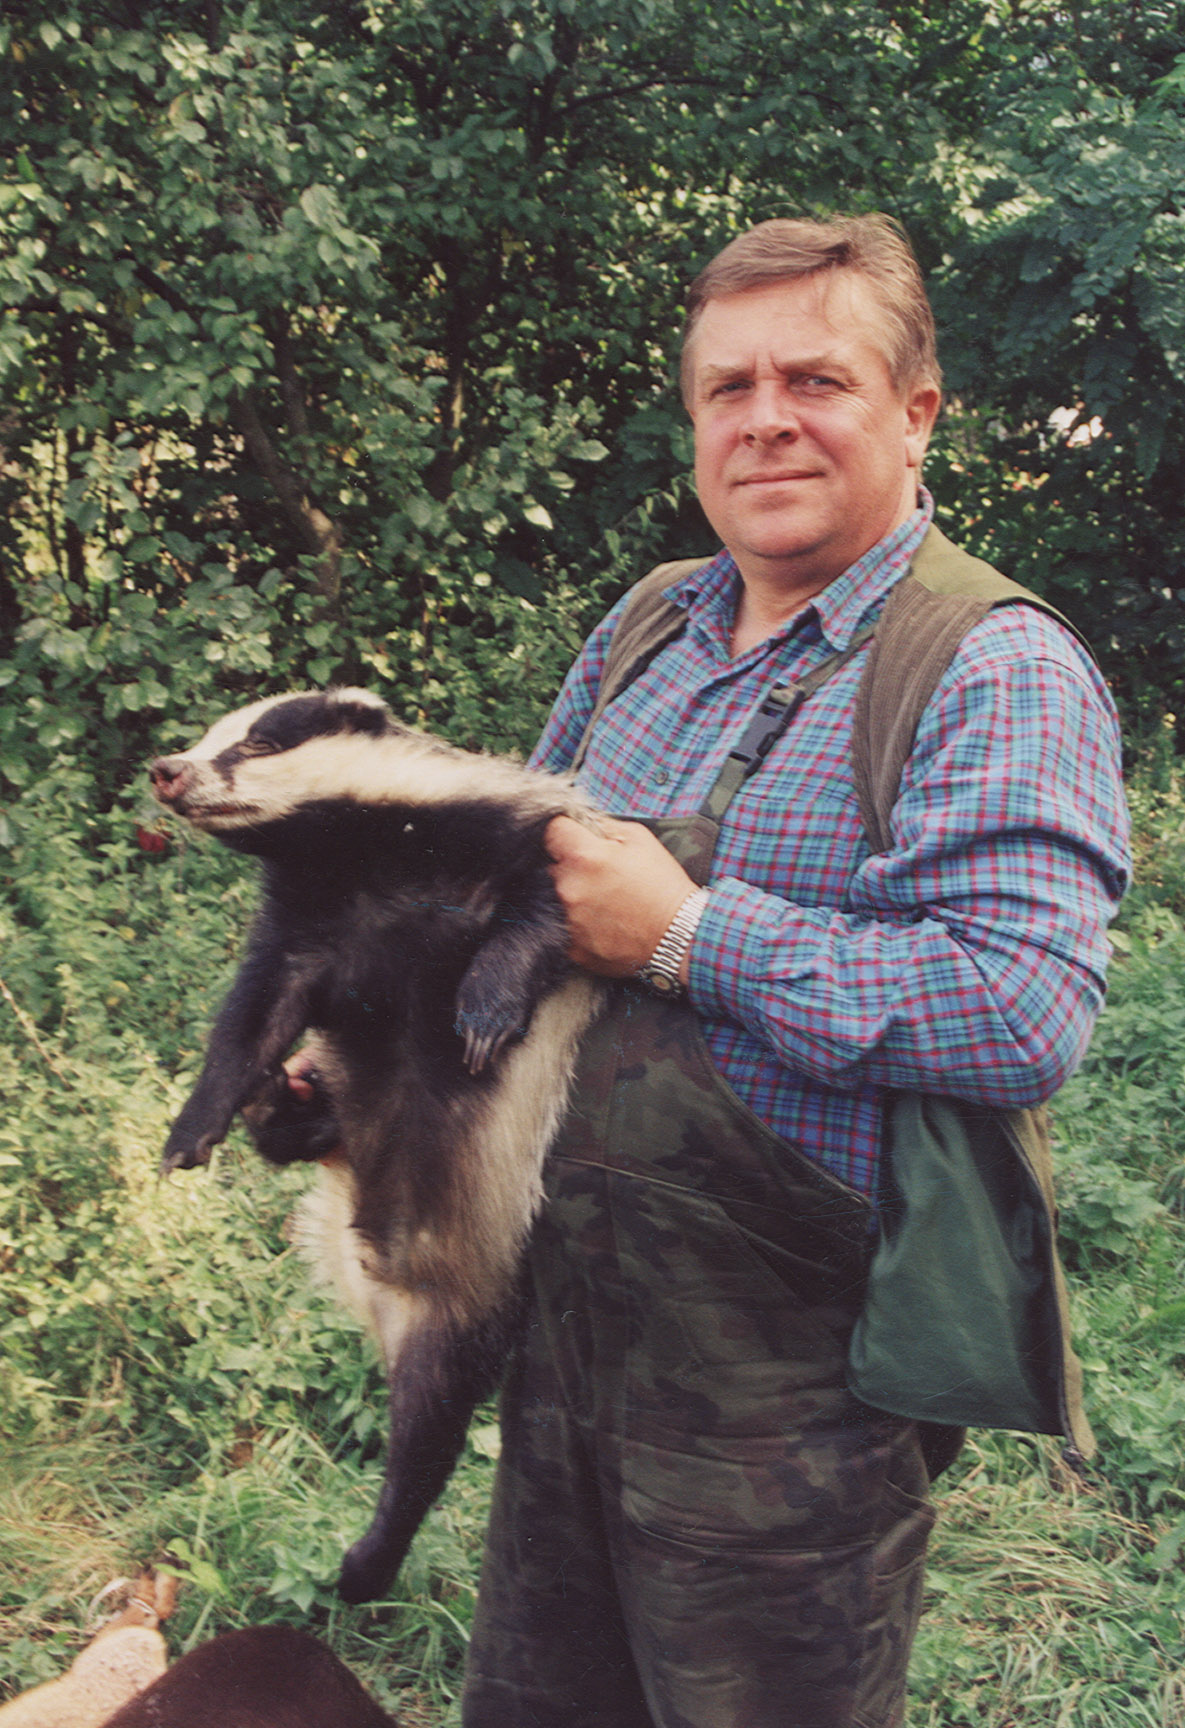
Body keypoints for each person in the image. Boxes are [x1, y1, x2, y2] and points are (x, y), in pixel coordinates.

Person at [458, 215, 1131, 1728]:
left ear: (915, 411)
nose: (764, 419)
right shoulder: (650, 624)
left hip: (792, 1399)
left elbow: (1018, 1010)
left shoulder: (992, 665)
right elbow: (518, 893)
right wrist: (374, 1042)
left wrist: (685, 933)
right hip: (568, 1340)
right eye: (728, 388)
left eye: (815, 380)